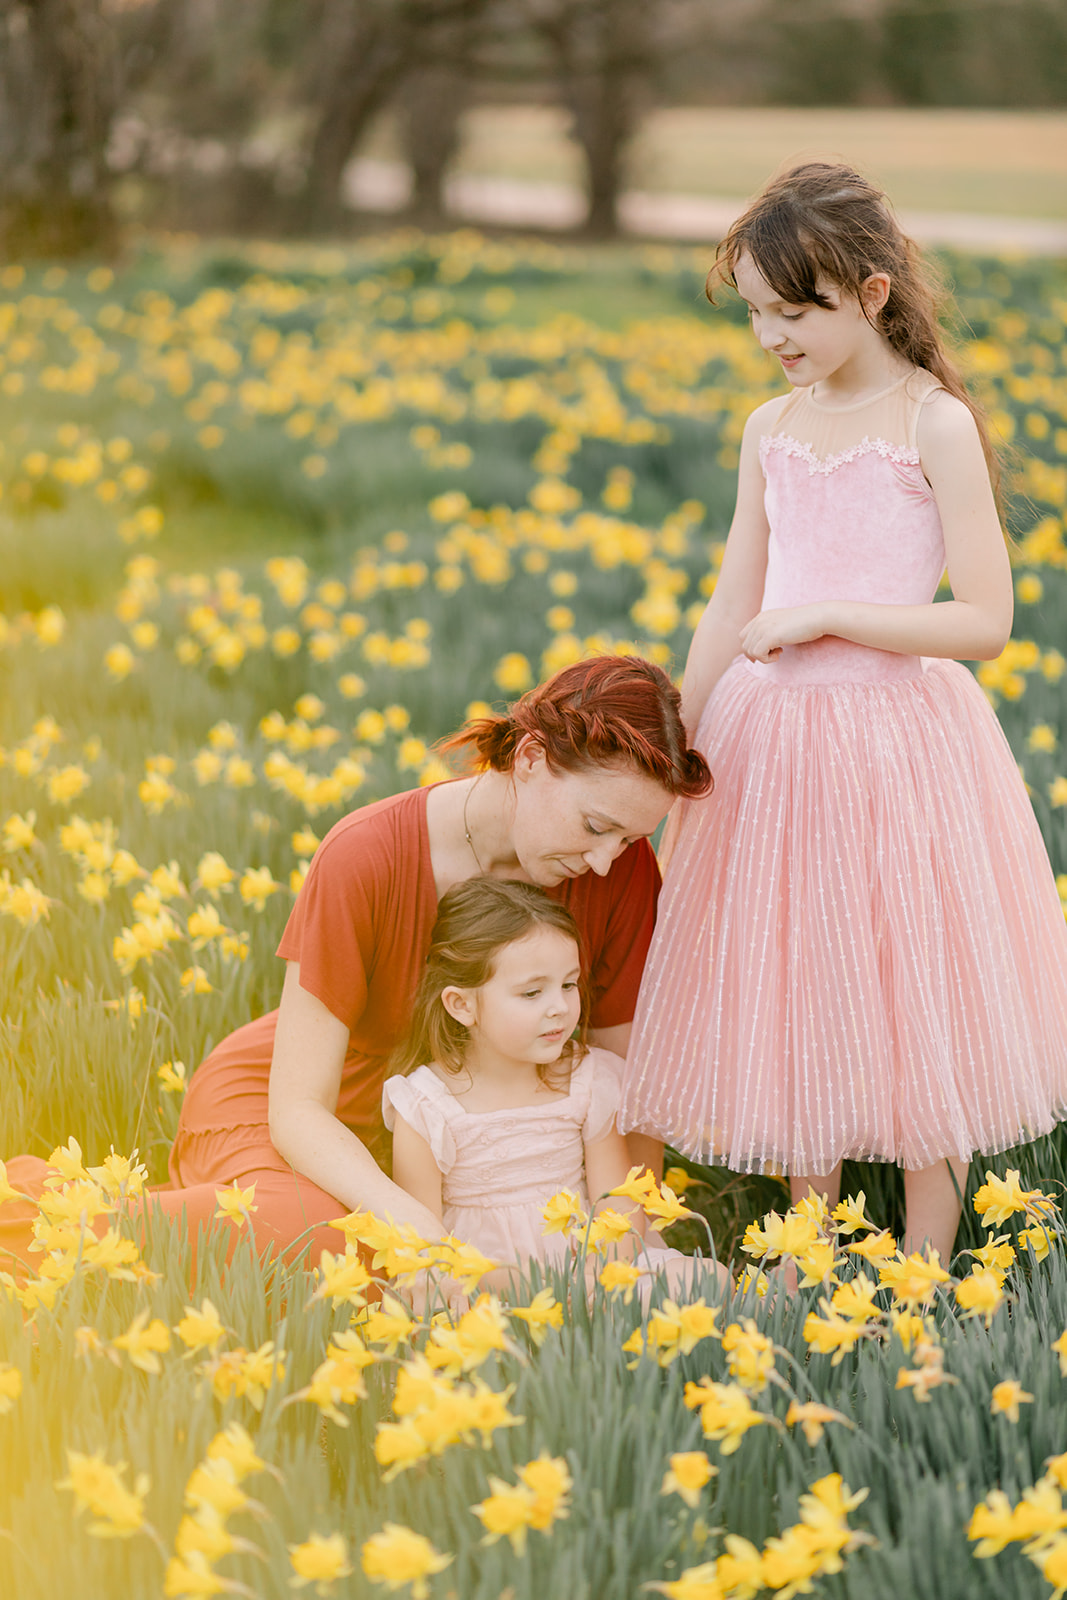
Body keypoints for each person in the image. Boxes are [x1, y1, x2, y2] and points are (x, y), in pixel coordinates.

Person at [618, 162, 1067, 1265]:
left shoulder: (932, 423)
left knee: (911, 977)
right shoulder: (768, 426)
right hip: (771, 739)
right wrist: (683, 730)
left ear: (869, 293)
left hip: (895, 737)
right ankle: (811, 1242)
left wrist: (828, 613)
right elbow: (733, 594)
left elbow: (983, 621)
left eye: (799, 310)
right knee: (792, 975)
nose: (775, 335)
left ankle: (921, 1259)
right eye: (761, 312)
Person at [0, 655, 711, 1274]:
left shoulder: (619, 875)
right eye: (594, 826)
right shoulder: (366, 854)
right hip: (313, 1109)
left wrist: (625, 1235)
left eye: (626, 837)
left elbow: (622, 1087)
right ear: (529, 759)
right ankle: (41, 1218)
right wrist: (417, 1229)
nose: (604, 859)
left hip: (464, 1138)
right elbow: (296, 1108)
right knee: (330, 1245)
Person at [383, 876, 725, 1299]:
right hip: (487, 1283)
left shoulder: (585, 1080)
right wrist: (533, 1287)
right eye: (532, 993)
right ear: (462, 1004)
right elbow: (424, 1244)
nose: (560, 1008)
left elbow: (617, 1211)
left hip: (591, 1270)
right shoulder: (425, 1104)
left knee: (708, 1278)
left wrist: (593, 1278)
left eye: (568, 985)